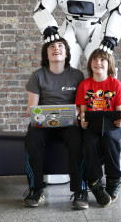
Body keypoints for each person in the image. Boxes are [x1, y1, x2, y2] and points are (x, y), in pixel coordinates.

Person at [24, 37, 88, 210]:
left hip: (68, 124)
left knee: (78, 139)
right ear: (47, 53)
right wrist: (42, 114)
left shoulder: (77, 75)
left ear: (67, 53)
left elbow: (81, 106)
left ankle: (80, 190)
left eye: (60, 46)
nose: (56, 49)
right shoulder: (37, 76)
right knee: (32, 138)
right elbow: (31, 109)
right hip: (43, 125)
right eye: (51, 46)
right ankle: (35, 189)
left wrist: (71, 114)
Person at [75, 48, 121, 207]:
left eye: (102, 60)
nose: (98, 63)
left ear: (109, 64)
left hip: (112, 126)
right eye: (95, 60)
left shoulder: (115, 84)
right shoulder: (84, 85)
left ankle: (113, 180)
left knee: (110, 139)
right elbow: (83, 113)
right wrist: (82, 121)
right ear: (90, 64)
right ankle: (95, 182)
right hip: (92, 126)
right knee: (89, 142)